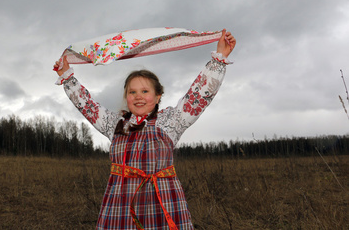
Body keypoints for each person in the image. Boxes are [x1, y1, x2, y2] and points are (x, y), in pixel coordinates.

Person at [54, 30, 236, 230]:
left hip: (163, 203)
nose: (138, 96)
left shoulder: (170, 121)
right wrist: (66, 76)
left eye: (145, 91)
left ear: (158, 96)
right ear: (126, 96)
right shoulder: (115, 124)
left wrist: (219, 59)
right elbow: (87, 105)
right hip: (120, 207)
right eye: (132, 92)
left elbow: (198, 95)